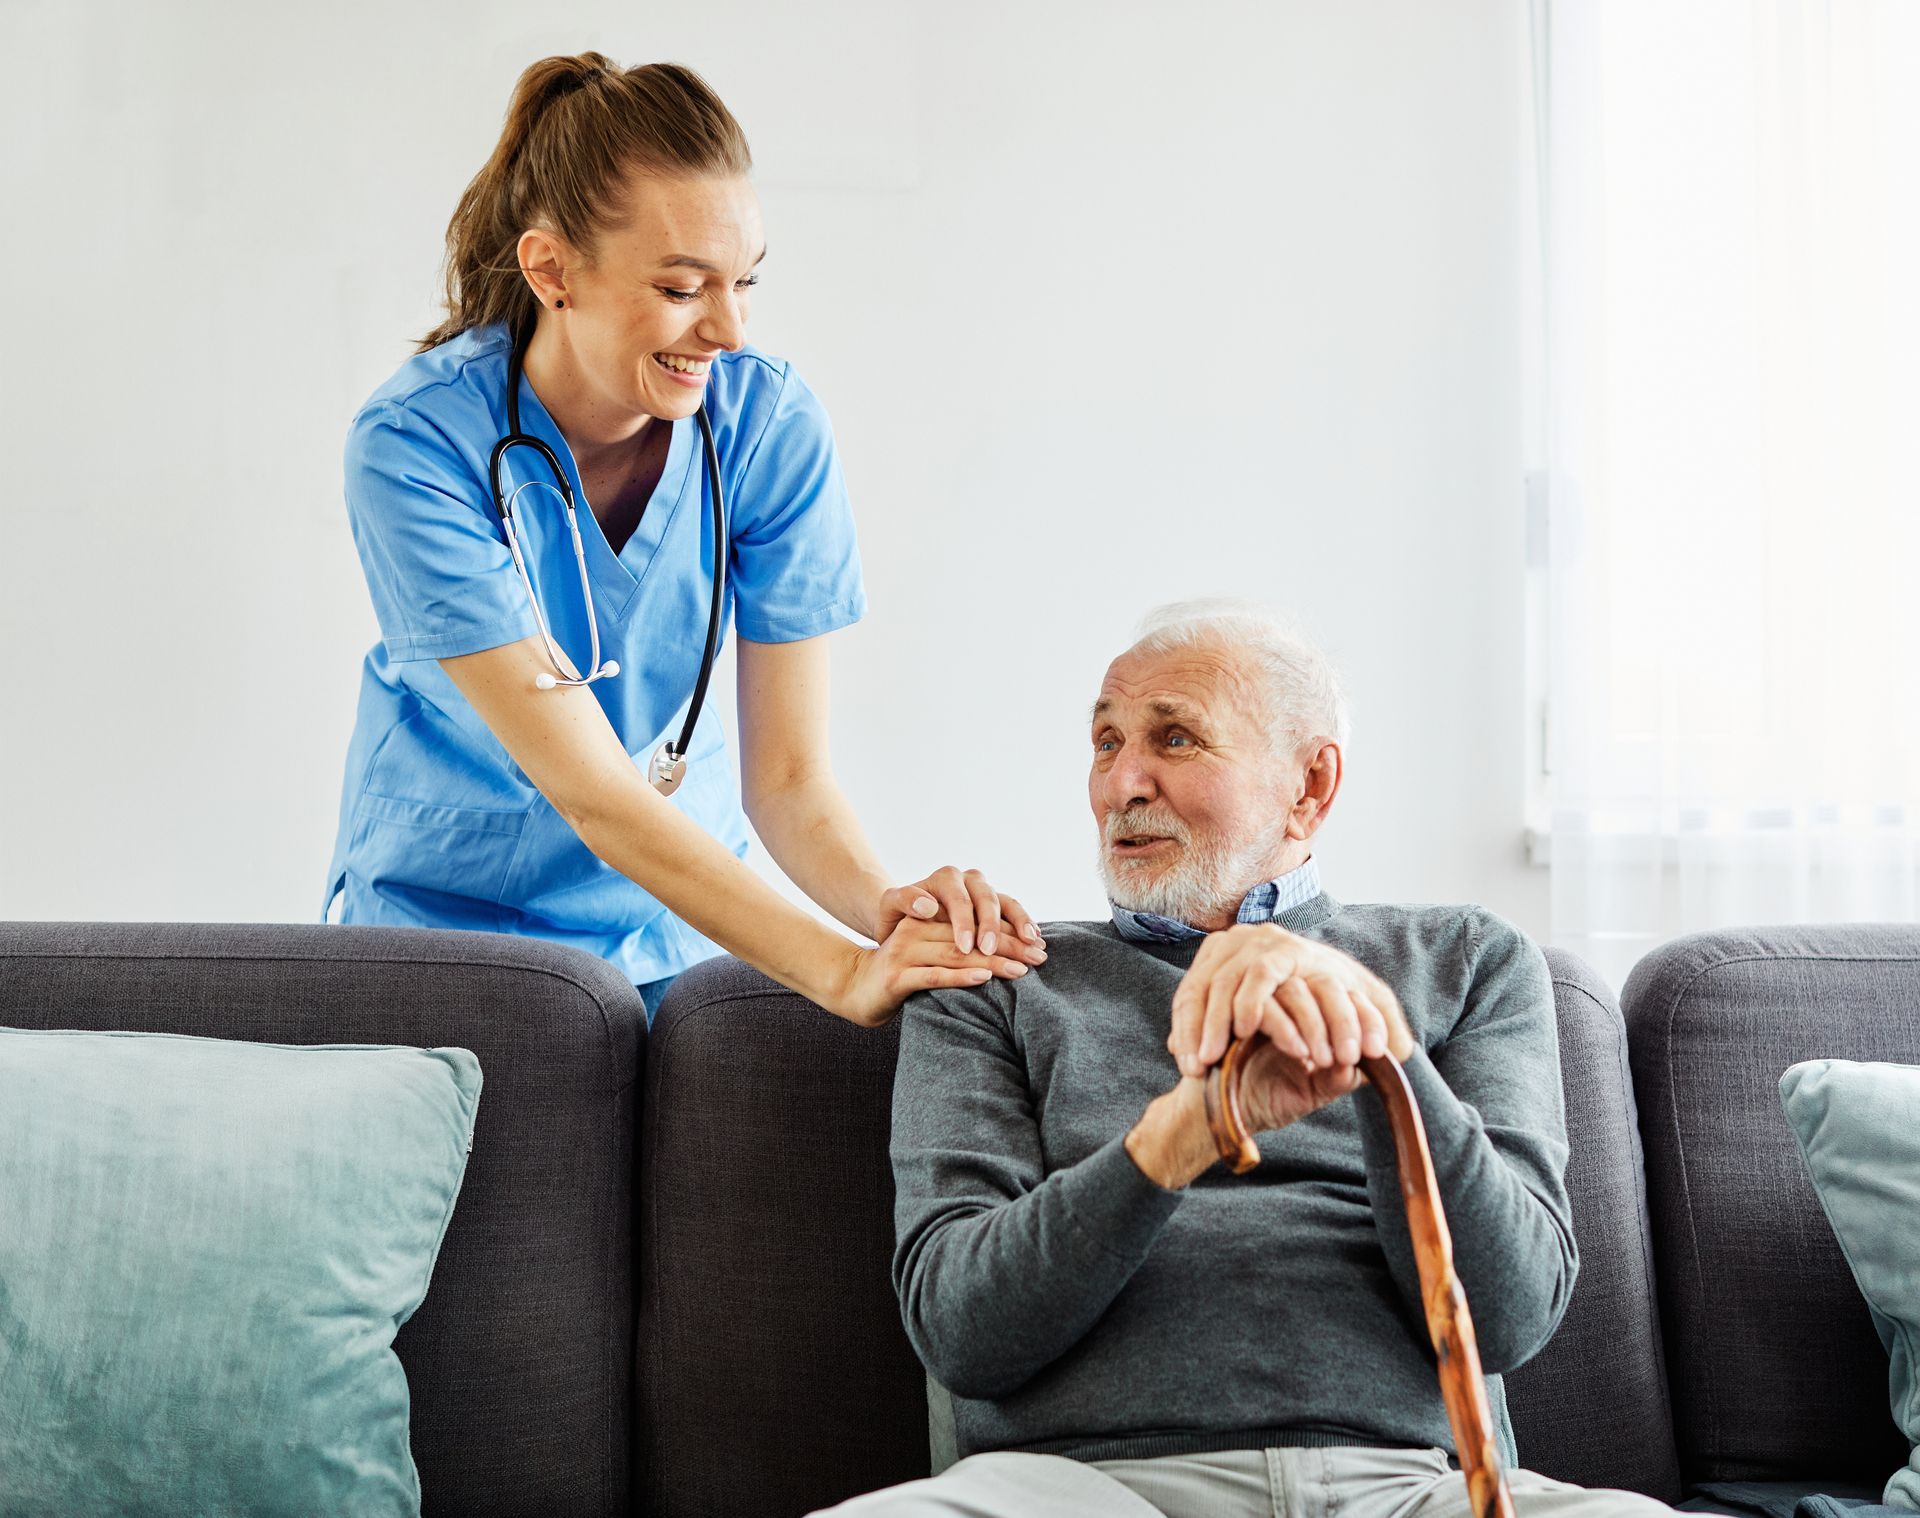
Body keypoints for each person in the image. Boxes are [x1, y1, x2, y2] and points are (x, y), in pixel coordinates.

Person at [815, 601, 1673, 1518]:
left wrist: (1375, 1041)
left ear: (1310, 785)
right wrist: (1182, 1136)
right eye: (1105, 744)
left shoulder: (1467, 961)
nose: (1121, 784)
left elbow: (1513, 1309)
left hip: (1408, 1487)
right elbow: (961, 1328)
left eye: (1175, 739)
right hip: (1074, 1490)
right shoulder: (997, 976)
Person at [324, 54, 1042, 1024]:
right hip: (447, 926)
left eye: (743, 282)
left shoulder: (765, 426)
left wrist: (889, 915)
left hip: (678, 925)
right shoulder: (416, 444)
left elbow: (789, 780)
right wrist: (836, 971)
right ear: (551, 270)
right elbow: (591, 792)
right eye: (681, 288)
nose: (729, 330)